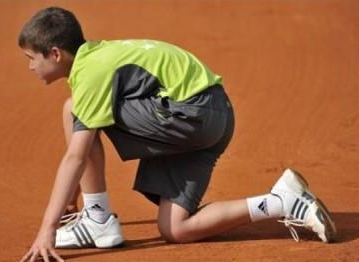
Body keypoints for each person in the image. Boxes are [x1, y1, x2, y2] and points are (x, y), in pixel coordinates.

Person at [18, 7, 336, 262]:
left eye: (31, 58)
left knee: (73, 109)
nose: (29, 67)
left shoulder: (90, 72)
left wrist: (47, 230)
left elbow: (76, 156)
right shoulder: (101, 55)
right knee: (176, 228)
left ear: (56, 53)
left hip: (193, 114)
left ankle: (98, 219)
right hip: (214, 119)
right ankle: (282, 202)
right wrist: (76, 195)